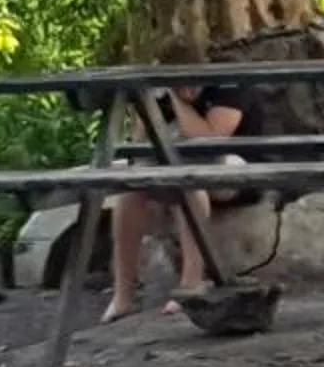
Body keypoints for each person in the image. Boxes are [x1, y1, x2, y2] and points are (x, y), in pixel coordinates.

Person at [102, 82, 247, 323]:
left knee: (191, 189)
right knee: (130, 195)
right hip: (174, 165)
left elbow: (209, 137)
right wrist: (147, 108)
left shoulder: (226, 86)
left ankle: (190, 284)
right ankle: (123, 296)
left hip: (227, 163)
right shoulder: (155, 94)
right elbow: (140, 145)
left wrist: (177, 101)